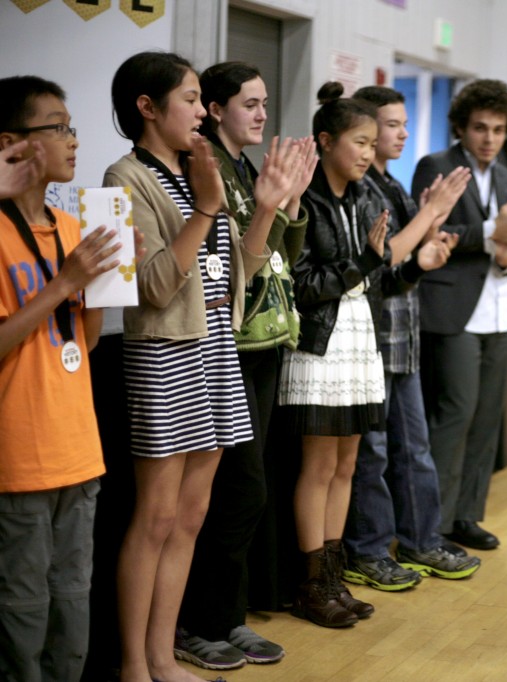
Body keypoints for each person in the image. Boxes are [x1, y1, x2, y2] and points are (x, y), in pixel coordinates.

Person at [103, 51, 278, 682]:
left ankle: (160, 654)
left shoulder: (193, 169)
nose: (203, 110)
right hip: (165, 353)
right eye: (190, 98)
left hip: (217, 352)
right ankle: (133, 663)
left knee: (194, 514)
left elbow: (238, 275)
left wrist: (263, 209)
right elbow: (150, 287)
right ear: (147, 108)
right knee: (155, 516)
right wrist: (207, 210)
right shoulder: (124, 177)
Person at [277, 83, 456, 627]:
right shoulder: (304, 200)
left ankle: (334, 577)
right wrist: (364, 260)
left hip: (361, 340)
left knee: (347, 464)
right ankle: (313, 585)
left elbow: (378, 276)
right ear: (326, 141)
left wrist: (416, 263)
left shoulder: (362, 198)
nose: (366, 151)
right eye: (358, 141)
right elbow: (303, 286)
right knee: (319, 464)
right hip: (319, 344)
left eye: (370, 142)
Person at [174, 61, 315, 670]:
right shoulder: (202, 168)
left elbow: (279, 257)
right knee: (233, 492)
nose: (262, 113)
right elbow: (233, 265)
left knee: (243, 494)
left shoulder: (245, 168)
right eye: (249, 104)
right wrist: (269, 208)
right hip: (220, 343)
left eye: (264, 103)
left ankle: (224, 617)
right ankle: (199, 621)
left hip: (259, 345)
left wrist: (293, 203)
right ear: (214, 108)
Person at [0, 75, 125, 682]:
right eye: (58, 127)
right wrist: (64, 284)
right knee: (21, 610)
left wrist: (105, 278)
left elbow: (89, 340)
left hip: (79, 451)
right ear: (13, 144)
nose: (73, 141)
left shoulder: (72, 229)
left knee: (73, 603)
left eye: (71, 127)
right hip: (19, 457)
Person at [340, 85, 480, 592]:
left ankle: (420, 540)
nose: (400, 134)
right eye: (391, 125)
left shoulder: (392, 184)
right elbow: (382, 261)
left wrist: (433, 229)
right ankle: (368, 550)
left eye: (401, 124)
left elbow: (405, 260)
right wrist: (428, 219)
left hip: (403, 336)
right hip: (373, 339)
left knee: (413, 448)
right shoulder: (361, 190)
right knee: (373, 455)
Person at [411, 79, 507, 552]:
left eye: (499, 130)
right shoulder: (434, 166)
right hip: (451, 309)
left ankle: (466, 517)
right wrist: (488, 232)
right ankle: (431, 527)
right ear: (461, 127)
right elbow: (427, 230)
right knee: (454, 416)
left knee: (486, 420)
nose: (489, 138)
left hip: (500, 309)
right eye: (480, 128)